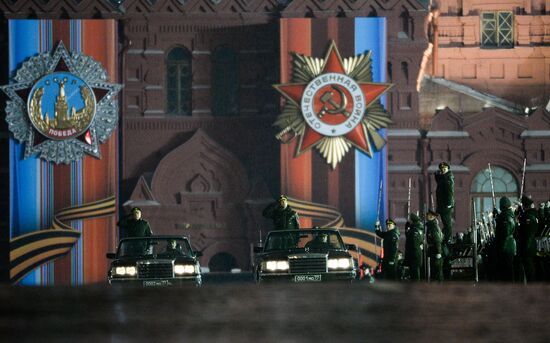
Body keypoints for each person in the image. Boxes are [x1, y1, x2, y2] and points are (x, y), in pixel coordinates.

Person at [434, 161, 454, 278]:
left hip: (445, 205)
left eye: (444, 169)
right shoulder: (443, 177)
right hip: (441, 204)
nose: (442, 170)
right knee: (444, 223)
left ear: (448, 169)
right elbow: (438, 181)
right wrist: (437, 174)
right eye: (441, 169)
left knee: (447, 224)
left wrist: (449, 204)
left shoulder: (448, 178)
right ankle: (445, 237)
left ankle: (447, 238)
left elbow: (450, 192)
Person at [494, 197, 517, 282]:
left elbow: (505, 233)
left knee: (506, 270)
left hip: (506, 246)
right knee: (506, 269)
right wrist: (497, 217)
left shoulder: (506, 217)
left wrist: (501, 247)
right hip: (507, 246)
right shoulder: (506, 215)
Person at [517, 196, 538, 282]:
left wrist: (525, 247)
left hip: (527, 246)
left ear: (525, 206)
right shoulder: (532, 214)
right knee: (529, 267)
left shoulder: (527, 217)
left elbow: (527, 233)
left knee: (528, 268)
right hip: (531, 244)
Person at [405, 213, 424, 281]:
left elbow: (414, 244)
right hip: (415, 254)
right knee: (414, 273)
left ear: (412, 221)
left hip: (414, 255)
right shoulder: (418, 228)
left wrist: (413, 255)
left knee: (415, 275)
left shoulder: (415, 231)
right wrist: (407, 228)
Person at [426, 210, 444, 282]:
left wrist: (438, 252)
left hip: (435, 250)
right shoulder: (431, 225)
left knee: (437, 268)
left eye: (428, 215)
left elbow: (437, 240)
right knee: (434, 268)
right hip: (432, 249)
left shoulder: (433, 226)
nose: (426, 216)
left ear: (431, 217)